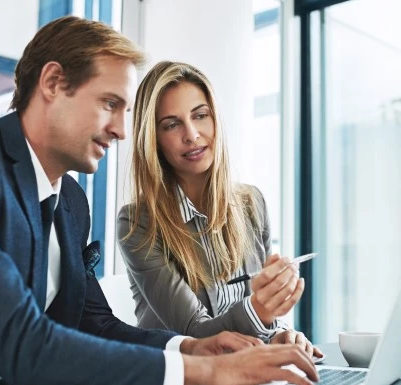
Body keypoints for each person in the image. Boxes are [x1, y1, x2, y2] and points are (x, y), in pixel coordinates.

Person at [0, 17, 318, 385]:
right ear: (53, 82)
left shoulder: (69, 201)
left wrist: (193, 348)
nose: (119, 130)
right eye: (109, 104)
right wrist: (202, 375)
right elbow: (22, 343)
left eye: (125, 112)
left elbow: (95, 324)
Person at [117, 61, 320, 357]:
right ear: (154, 140)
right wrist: (260, 311)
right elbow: (196, 335)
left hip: (248, 372)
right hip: (187, 383)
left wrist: (280, 333)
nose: (192, 134)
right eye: (172, 125)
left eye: (200, 116)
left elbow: (260, 323)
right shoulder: (137, 223)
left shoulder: (252, 203)